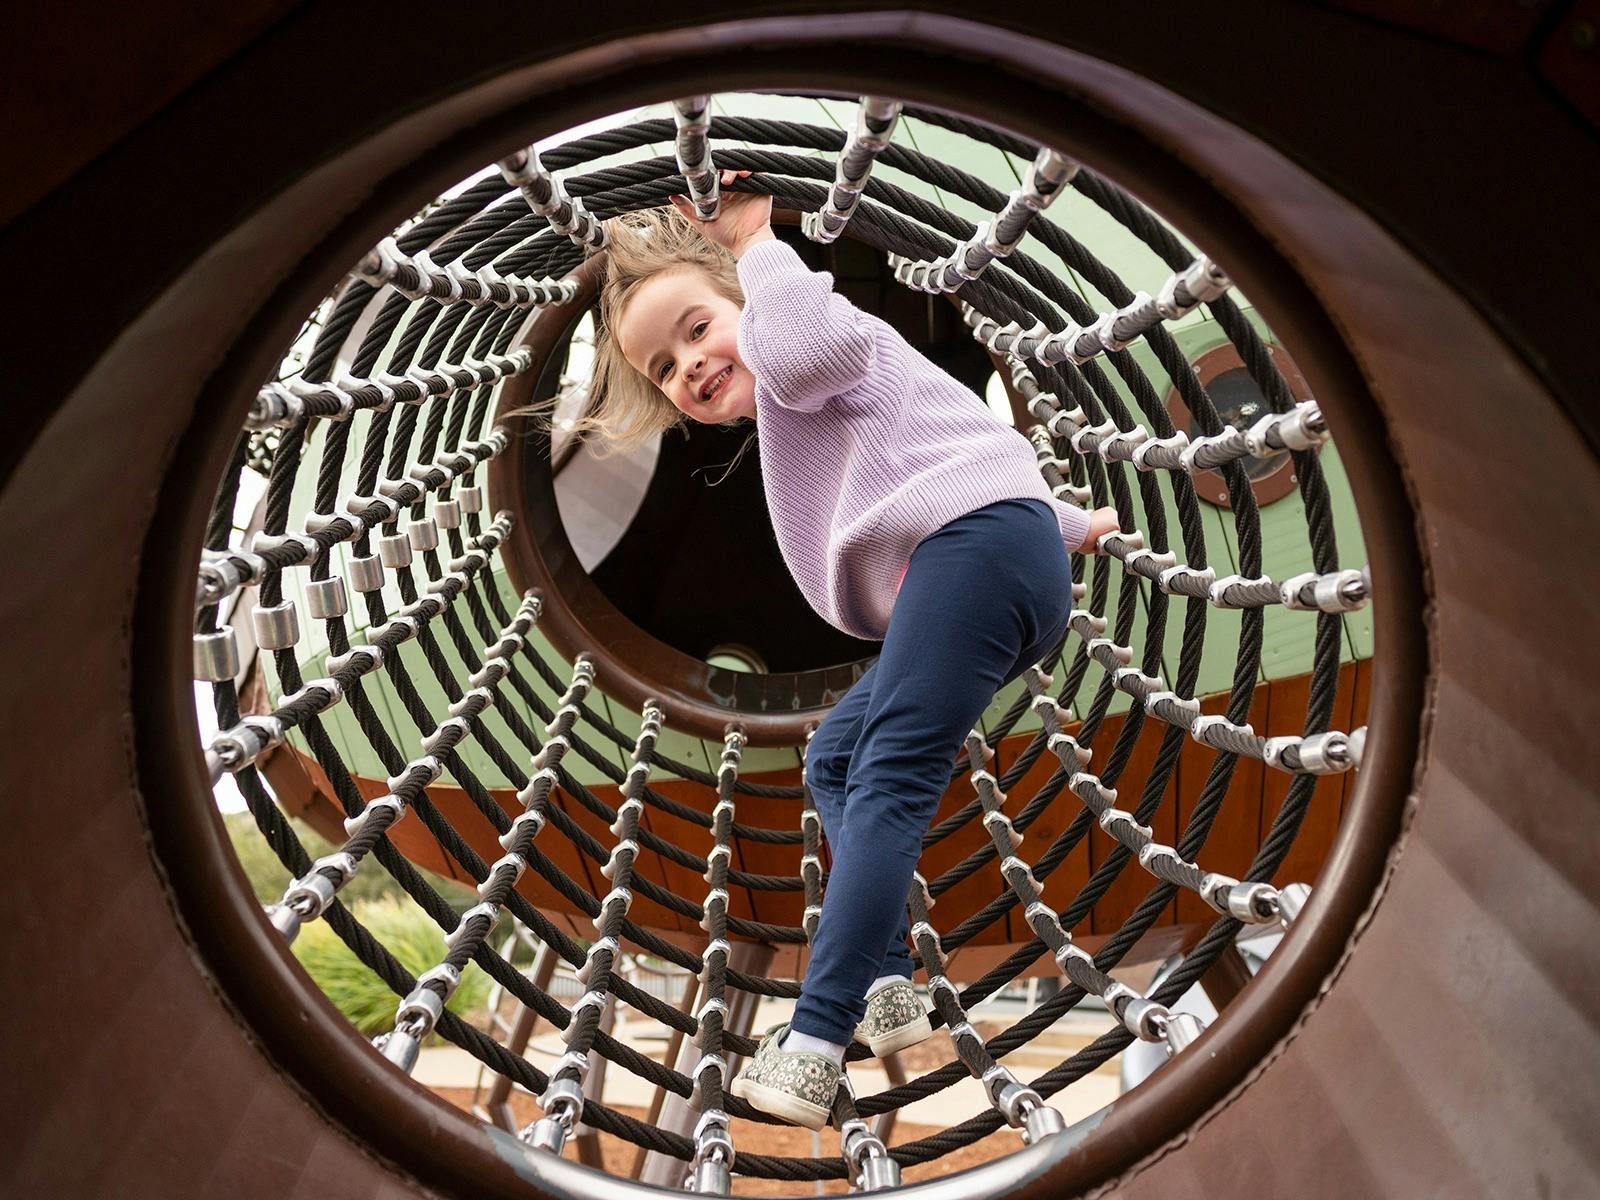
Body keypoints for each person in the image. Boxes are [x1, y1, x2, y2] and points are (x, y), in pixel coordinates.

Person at [579, 171, 1116, 1129]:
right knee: (836, 754)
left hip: (975, 554)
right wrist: (1069, 526)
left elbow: (804, 337)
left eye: (697, 329)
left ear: (747, 306)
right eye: (664, 368)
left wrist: (754, 246)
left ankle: (817, 1039)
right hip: (998, 555)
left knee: (892, 778)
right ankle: (887, 982)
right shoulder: (805, 395)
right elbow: (948, 438)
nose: (689, 367)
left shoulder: (796, 348)